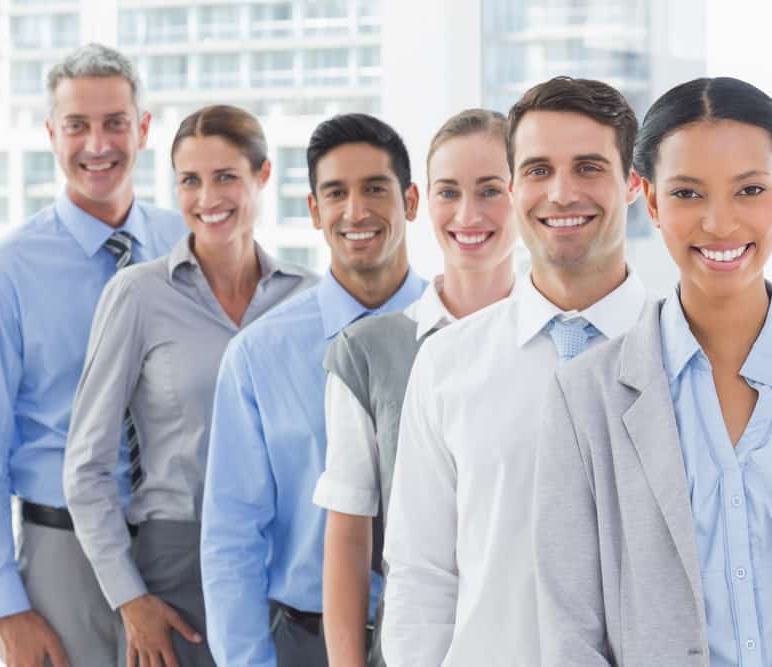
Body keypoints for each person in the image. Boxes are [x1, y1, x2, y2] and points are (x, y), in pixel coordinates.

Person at [532, 77, 772, 666]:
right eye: (688, 194)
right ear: (653, 201)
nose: (720, 223)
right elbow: (570, 629)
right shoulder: (584, 395)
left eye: (749, 190)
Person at [381, 77, 650, 666]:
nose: (561, 193)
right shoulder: (448, 364)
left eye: (588, 168)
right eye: (537, 170)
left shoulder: (689, 356)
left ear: (634, 182)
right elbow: (421, 576)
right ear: (512, 185)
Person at [0, 43, 185, 667]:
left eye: (114, 122)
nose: (97, 143)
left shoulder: (186, 244)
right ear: (52, 134)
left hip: (177, 547)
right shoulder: (1, 274)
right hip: (62, 558)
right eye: (77, 125)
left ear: (142, 129)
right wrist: (7, 607)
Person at [64, 105, 317, 667]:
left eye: (226, 176)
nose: (208, 197)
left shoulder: (309, 299)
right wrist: (130, 598)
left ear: (263, 176)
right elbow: (85, 465)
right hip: (179, 563)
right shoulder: (138, 295)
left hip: (293, 562)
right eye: (190, 181)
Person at [201, 113, 428, 667]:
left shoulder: (458, 337)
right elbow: (233, 539)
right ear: (314, 211)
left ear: (412, 201)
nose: (356, 211)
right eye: (336, 193)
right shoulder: (258, 356)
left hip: (439, 636)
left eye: (375, 188)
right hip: (305, 641)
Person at [313, 108, 517, 667]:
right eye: (449, 192)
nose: (467, 213)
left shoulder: (568, 345)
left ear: (524, 194)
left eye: (491, 190)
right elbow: (349, 539)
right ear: (424, 201)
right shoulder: (367, 353)